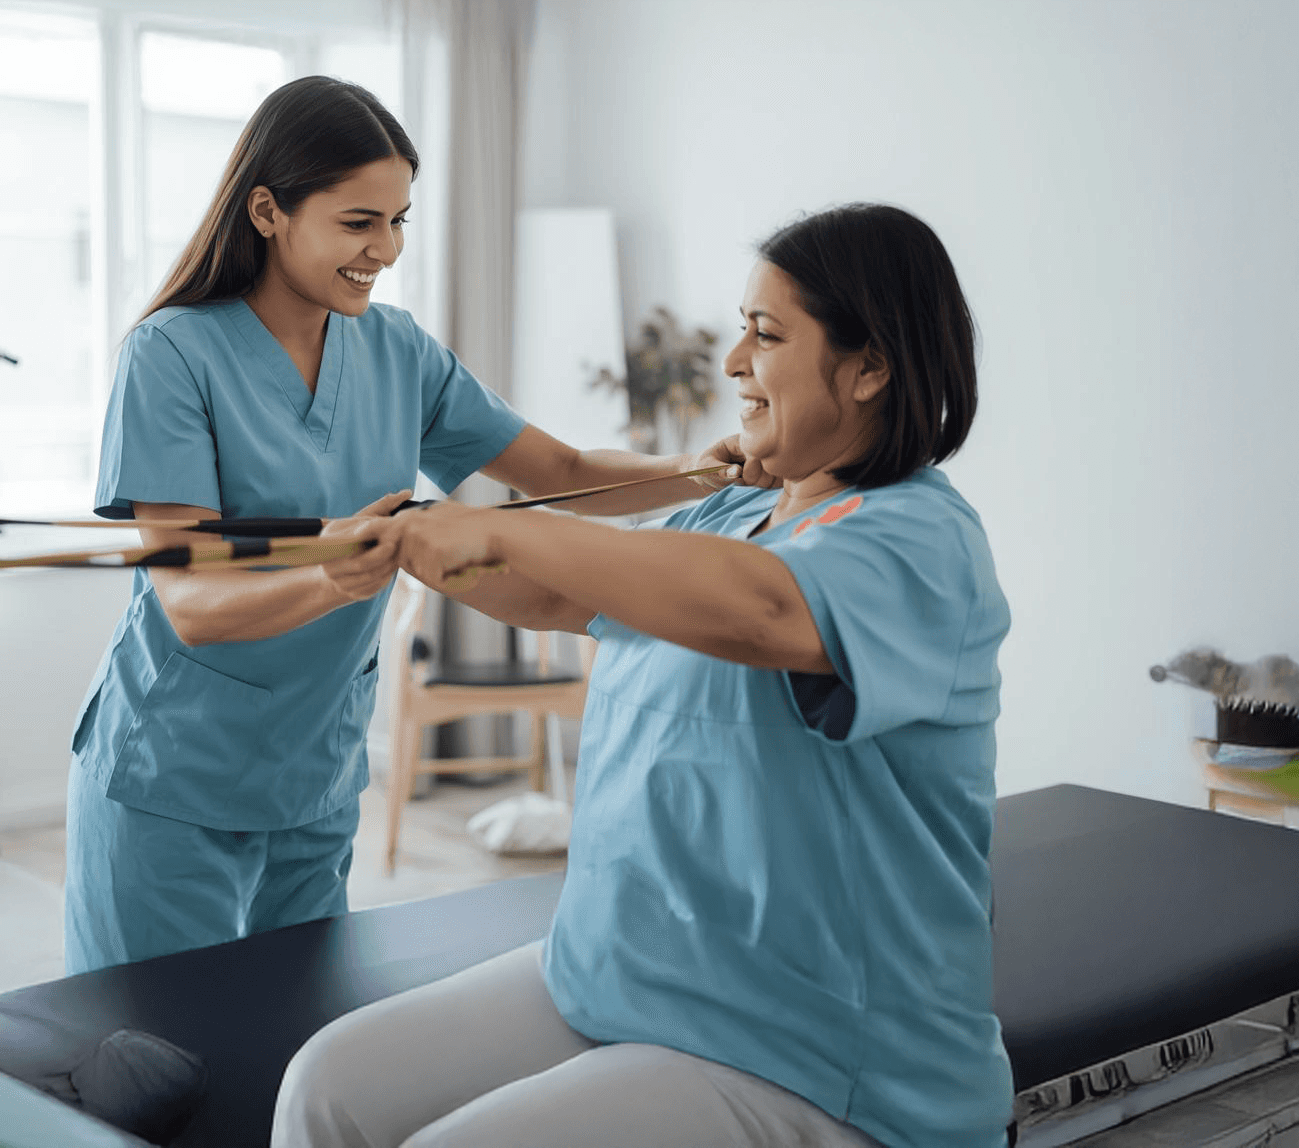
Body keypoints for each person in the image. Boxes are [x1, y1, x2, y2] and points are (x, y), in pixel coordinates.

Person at [272, 203, 1012, 1148]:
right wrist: (417, 543)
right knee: (327, 1088)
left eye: (767, 336)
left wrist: (500, 524)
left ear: (870, 368)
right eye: (741, 332)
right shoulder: (733, 515)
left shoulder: (919, 540)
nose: (734, 364)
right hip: (623, 969)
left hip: (807, 1044)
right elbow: (561, 597)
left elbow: (765, 611)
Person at [64, 76, 749, 975]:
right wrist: (336, 576)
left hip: (314, 771)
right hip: (171, 772)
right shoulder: (173, 354)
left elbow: (565, 476)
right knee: (140, 1065)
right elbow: (190, 600)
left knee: (289, 1044)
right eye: (358, 222)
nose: (383, 249)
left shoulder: (396, 350)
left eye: (398, 222)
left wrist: (703, 468)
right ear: (267, 211)